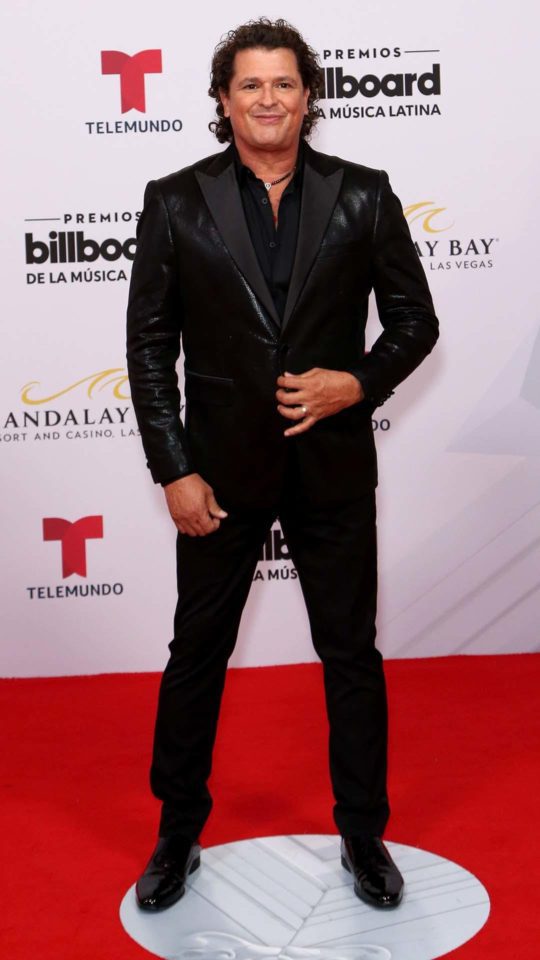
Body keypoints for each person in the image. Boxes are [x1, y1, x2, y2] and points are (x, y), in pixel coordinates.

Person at [126, 17, 438, 914]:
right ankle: (176, 833)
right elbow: (150, 347)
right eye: (250, 86)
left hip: (334, 467)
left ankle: (364, 835)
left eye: (285, 84)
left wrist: (358, 382)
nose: (268, 99)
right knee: (199, 654)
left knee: (351, 654)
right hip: (217, 475)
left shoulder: (365, 195)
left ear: (310, 96)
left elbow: (416, 322)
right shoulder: (175, 198)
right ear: (223, 101)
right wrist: (173, 469)